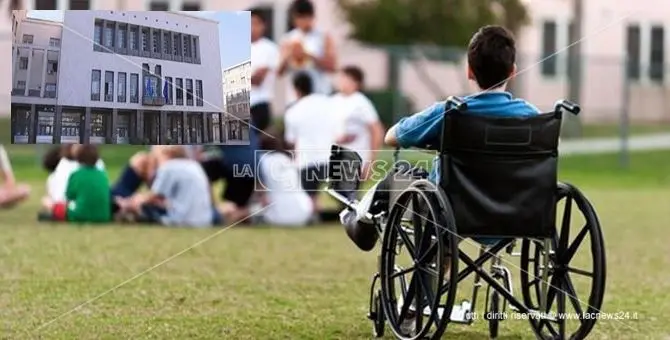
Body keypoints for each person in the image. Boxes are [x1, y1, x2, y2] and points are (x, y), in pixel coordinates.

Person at [382, 25, 541, 335]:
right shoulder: (534, 117)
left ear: (469, 71)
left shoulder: (452, 111)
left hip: (453, 214)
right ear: (513, 71)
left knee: (402, 180)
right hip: (517, 213)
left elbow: (391, 137)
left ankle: (360, 218)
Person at [283, 71, 338, 213]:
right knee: (343, 196)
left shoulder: (293, 111)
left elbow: (290, 141)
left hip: (307, 160)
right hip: (330, 157)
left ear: (295, 89)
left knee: (309, 198)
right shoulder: (328, 102)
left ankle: (315, 214)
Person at [122, 146, 217, 228]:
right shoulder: (194, 165)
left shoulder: (168, 167)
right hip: (204, 220)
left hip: (182, 220)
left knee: (143, 206)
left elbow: (154, 196)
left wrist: (135, 200)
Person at [252, 127, 313, 226]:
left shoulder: (262, 160)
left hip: (277, 216)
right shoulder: (287, 160)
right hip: (303, 213)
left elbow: (260, 192)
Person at [278, 0, 337, 103]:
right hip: (296, 96)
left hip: (320, 93)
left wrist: (308, 55)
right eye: (300, 17)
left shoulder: (323, 36)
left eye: (307, 17)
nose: (304, 21)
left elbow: (332, 67)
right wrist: (289, 55)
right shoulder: (288, 39)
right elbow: (279, 72)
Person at [332, 66, 384, 181]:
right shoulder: (334, 100)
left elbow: (377, 131)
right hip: (337, 156)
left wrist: (371, 161)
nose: (340, 81)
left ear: (355, 82)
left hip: (356, 155)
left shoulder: (361, 102)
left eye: (345, 78)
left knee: (347, 194)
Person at [40, 144, 111, 223]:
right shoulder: (102, 174)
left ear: (78, 159)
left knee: (50, 203)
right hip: (104, 216)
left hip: (80, 215)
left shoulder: (76, 175)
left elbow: (69, 195)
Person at [250, 9, 280, 131]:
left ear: (263, 25)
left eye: (255, 23)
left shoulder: (269, 48)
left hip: (259, 103)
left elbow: (258, 79)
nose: (252, 28)